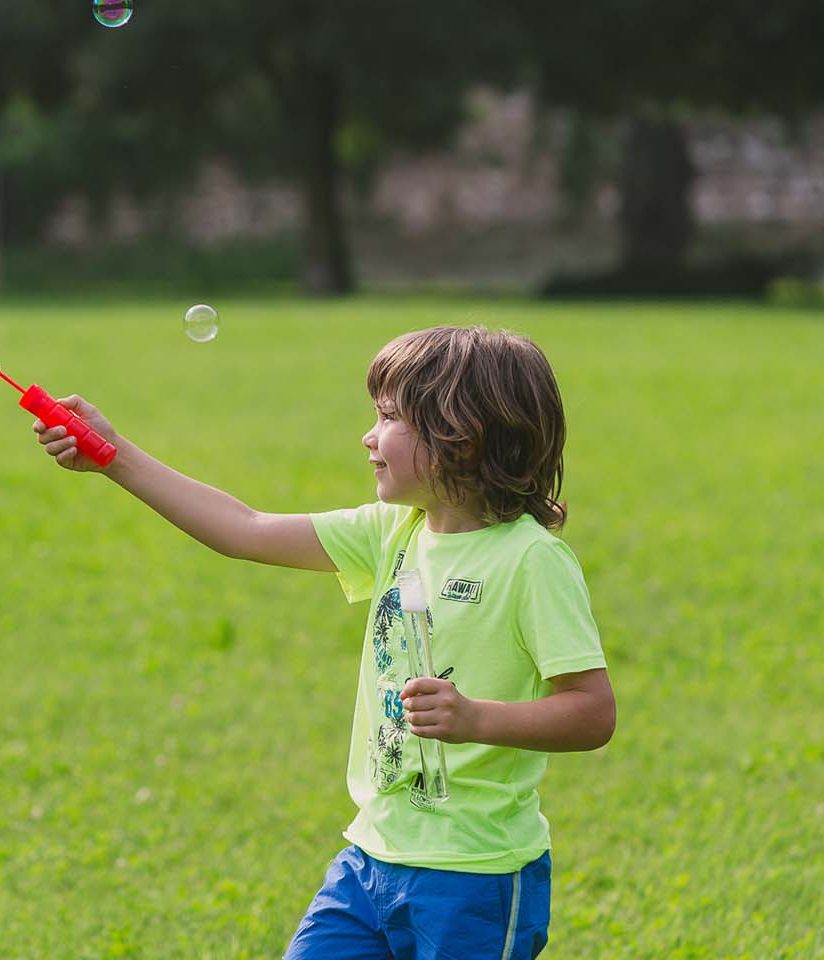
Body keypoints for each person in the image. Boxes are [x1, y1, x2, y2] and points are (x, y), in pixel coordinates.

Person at [32, 325, 615, 958]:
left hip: (476, 875)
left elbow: (591, 712)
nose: (368, 435)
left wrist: (475, 718)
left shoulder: (532, 561)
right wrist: (114, 455)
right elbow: (243, 528)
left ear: (461, 436)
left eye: (390, 417)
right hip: (369, 861)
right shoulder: (393, 531)